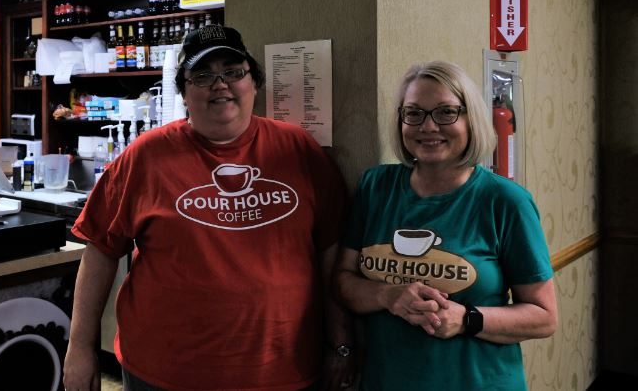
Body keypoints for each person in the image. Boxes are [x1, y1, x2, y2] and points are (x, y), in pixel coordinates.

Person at [64, 24, 354, 391]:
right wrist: (80, 347)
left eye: (233, 72)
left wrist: (340, 342)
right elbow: (100, 251)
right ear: (184, 93)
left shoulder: (299, 150)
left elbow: (332, 251)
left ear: (254, 83)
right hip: (164, 373)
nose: (220, 84)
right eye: (203, 75)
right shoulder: (146, 157)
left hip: (284, 370)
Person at [335, 61, 557, 390]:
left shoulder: (505, 201)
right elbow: (342, 282)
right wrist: (388, 295)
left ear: (471, 119)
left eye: (445, 112)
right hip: (387, 380)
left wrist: (467, 319)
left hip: (477, 381)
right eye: (414, 113)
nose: (428, 126)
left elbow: (544, 317)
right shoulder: (375, 187)